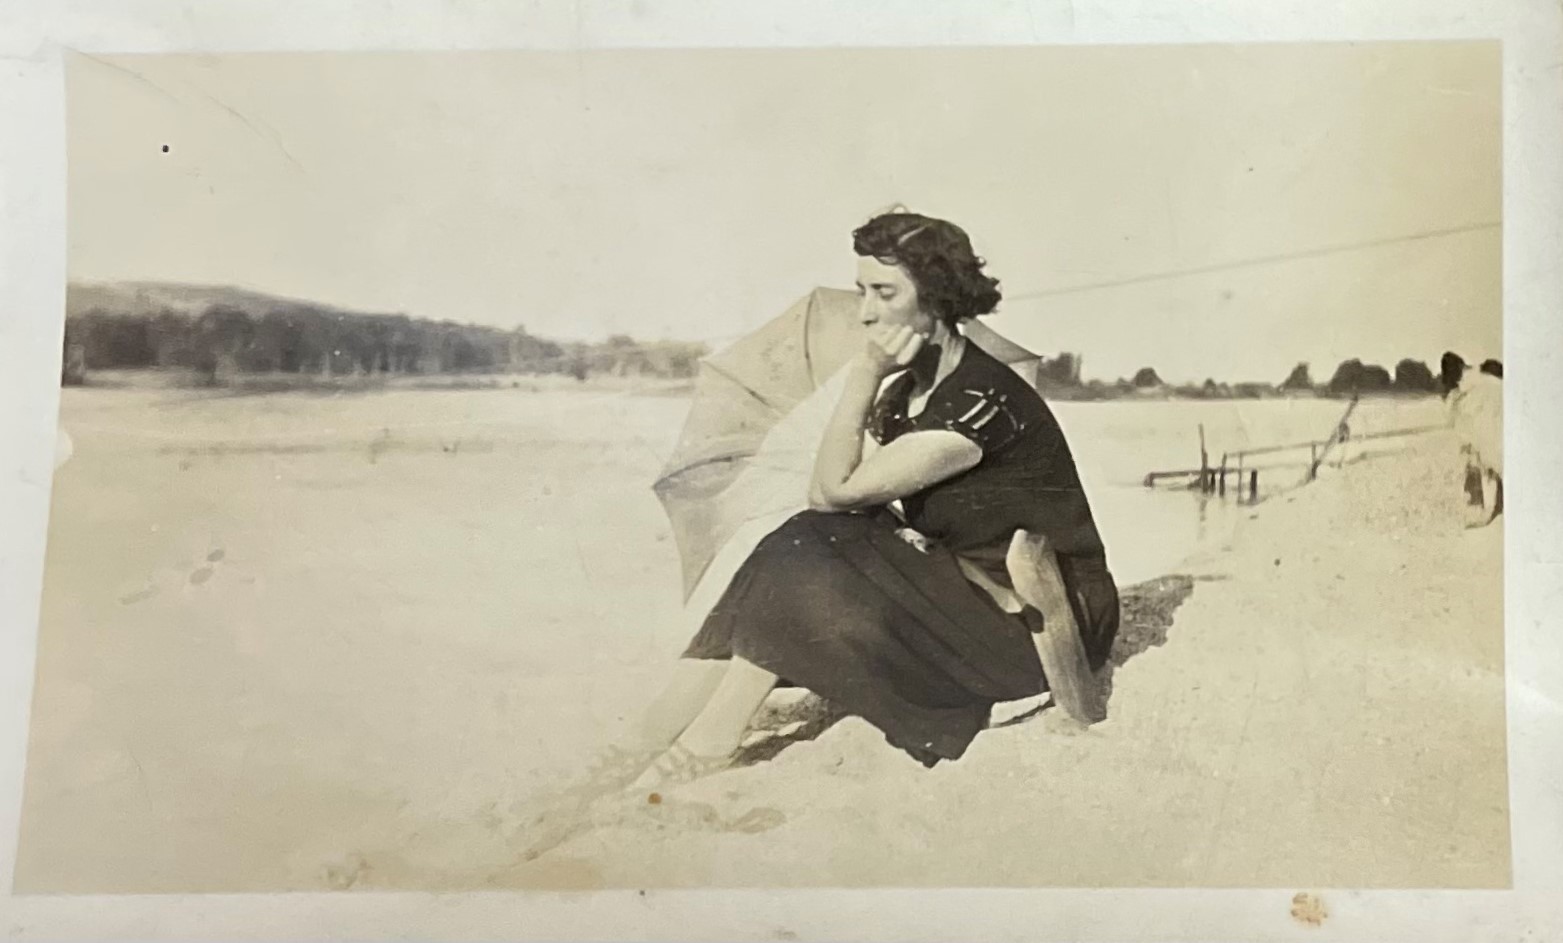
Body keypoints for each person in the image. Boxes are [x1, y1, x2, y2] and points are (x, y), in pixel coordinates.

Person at [584, 211, 1120, 793]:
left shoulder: (975, 407)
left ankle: (709, 736)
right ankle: (659, 726)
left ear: (936, 298)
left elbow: (834, 491)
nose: (864, 310)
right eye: (863, 289)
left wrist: (862, 376)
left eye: (884, 292)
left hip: (1039, 627)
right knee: (806, 537)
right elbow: (856, 503)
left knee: (811, 533)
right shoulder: (907, 395)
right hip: (969, 592)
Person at [1440, 351, 1503, 527]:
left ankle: (1489, 511)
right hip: (1491, 416)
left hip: (1490, 416)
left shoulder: (1475, 385)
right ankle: (1489, 510)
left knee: (1489, 462)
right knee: (1489, 463)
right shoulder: (1478, 379)